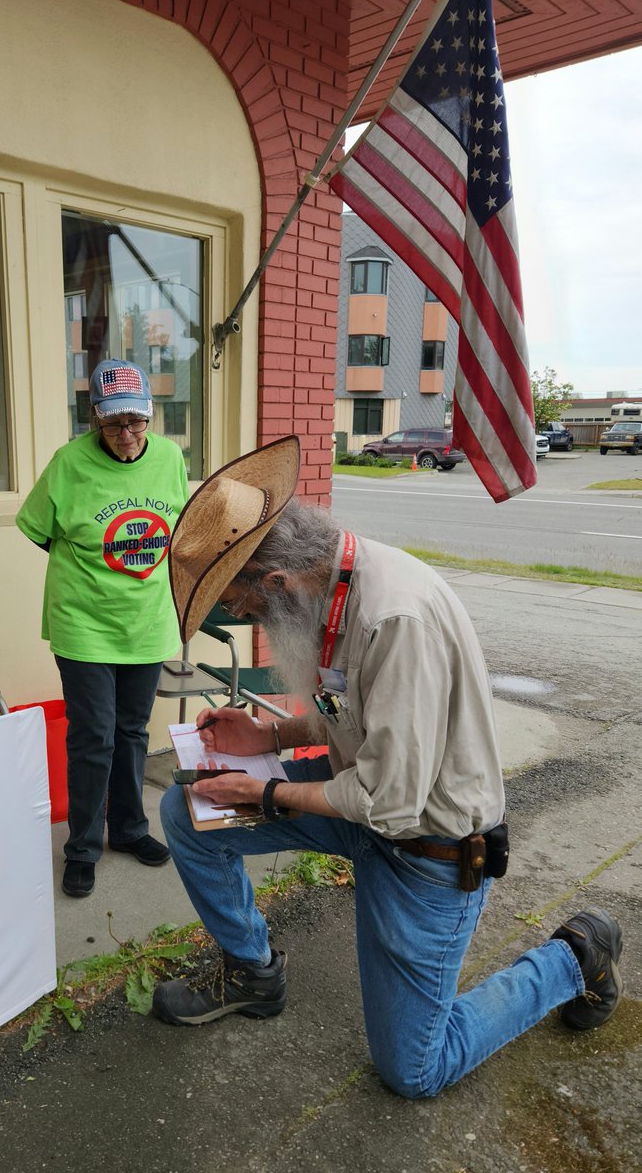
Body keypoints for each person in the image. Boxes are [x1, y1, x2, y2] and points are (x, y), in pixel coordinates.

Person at [152, 434, 624, 1099]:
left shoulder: (393, 618)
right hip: (366, 809)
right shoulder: (335, 585)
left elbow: (390, 799)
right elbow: (352, 712)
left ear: (277, 582)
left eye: (242, 607)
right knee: (189, 813)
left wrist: (266, 793)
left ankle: (574, 957)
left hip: (428, 846)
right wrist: (268, 734)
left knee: (415, 1070)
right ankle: (253, 971)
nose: (248, 621)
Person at [16, 360, 189, 898]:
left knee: (132, 732)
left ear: (150, 416)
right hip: (84, 622)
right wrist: (91, 573)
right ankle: (83, 848)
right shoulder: (69, 463)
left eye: (136, 421)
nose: (126, 434)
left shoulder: (169, 457)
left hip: (147, 620)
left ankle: (129, 829)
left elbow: (179, 529)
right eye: (113, 423)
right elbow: (38, 529)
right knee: (93, 736)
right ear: (94, 418)